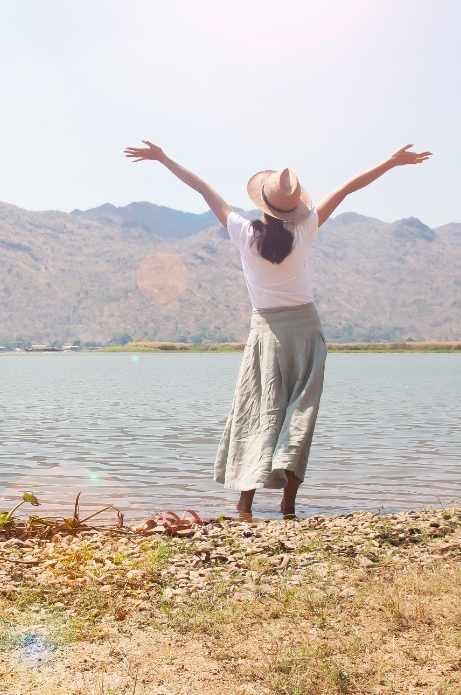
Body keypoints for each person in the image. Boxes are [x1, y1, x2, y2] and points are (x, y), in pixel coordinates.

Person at [123, 140, 431, 520]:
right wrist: (392, 161)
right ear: (293, 208)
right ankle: (288, 505)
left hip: (266, 333)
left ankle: (245, 504)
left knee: (257, 410)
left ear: (262, 204)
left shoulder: (242, 232)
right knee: (298, 415)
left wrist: (163, 157)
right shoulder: (304, 230)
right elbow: (349, 187)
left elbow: (203, 189)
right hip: (305, 330)